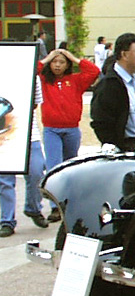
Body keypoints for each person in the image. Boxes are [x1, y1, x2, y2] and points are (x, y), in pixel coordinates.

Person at [38, 48, 100, 220]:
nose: (57, 65)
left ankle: (69, 202)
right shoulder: (44, 81)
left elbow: (94, 71)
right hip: (51, 129)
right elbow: (32, 70)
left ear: (67, 65)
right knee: (54, 166)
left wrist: (74, 58)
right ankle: (55, 206)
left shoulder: (75, 80)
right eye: (54, 62)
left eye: (61, 62)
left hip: (72, 129)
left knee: (70, 167)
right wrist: (48, 57)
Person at [0, 77, 49, 236]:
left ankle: (33, 208)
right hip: (4, 136)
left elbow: (34, 104)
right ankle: (7, 220)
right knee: (5, 179)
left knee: (36, 172)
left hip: (29, 134)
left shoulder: (32, 76)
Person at [90, 32, 135, 152]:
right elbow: (100, 122)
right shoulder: (108, 85)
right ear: (124, 54)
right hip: (124, 149)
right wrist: (115, 146)